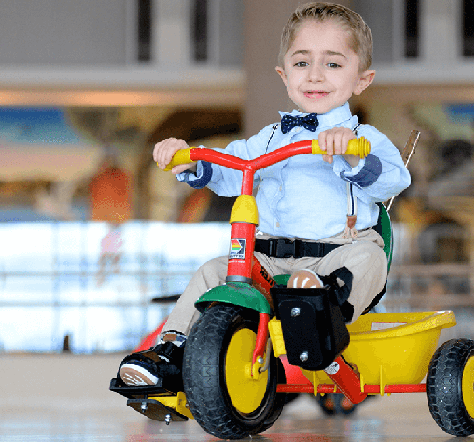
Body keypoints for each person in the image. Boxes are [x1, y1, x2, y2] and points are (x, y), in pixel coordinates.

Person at [117, 2, 411, 388]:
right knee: (212, 271)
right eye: (302, 63)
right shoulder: (268, 139)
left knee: (369, 257)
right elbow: (228, 167)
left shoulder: (365, 139)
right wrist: (190, 160)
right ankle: (169, 351)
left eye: (334, 64)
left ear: (362, 80)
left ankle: (321, 304)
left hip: (336, 254)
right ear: (284, 75)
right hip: (269, 260)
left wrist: (352, 156)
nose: (315, 75)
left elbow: (394, 180)